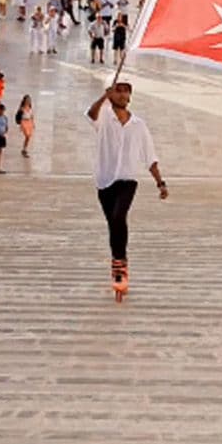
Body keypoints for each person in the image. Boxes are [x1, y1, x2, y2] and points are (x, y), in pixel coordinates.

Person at [87, 82, 169, 302]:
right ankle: (118, 262)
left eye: (126, 92)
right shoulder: (104, 117)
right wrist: (103, 97)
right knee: (113, 225)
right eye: (118, 91)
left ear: (130, 96)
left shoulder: (138, 125)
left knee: (119, 216)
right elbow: (91, 114)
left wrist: (160, 183)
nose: (122, 95)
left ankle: (120, 267)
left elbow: (150, 156)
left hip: (128, 180)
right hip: (104, 181)